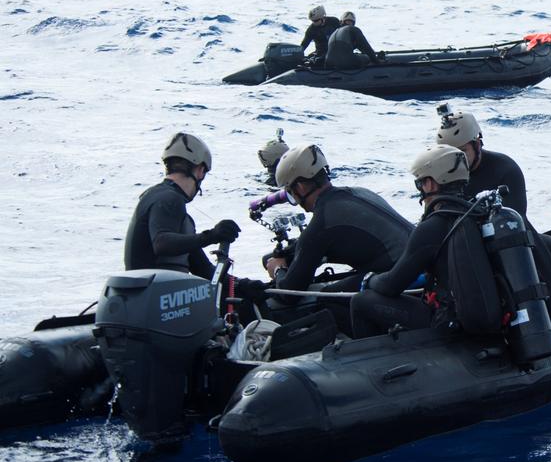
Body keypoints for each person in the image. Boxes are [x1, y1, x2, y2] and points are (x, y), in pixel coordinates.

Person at [436, 106, 551, 308]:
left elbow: (516, 218)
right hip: (464, 247)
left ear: (478, 144)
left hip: (506, 242)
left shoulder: (504, 168)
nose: (457, 161)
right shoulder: (441, 177)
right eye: (451, 155)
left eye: (462, 152)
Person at [350, 145, 475, 338]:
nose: (420, 190)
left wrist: (370, 280)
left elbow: (392, 285)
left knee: (361, 301)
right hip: (481, 316)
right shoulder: (477, 213)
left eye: (420, 184)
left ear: (432, 185)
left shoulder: (433, 226)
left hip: (449, 323)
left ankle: (372, 363)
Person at [263, 143, 413, 295]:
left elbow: (290, 293)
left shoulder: (323, 222)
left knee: (326, 299)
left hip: (400, 279)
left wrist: (278, 269)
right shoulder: (360, 193)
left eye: (290, 192)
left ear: (300, 187)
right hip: (419, 266)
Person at [124, 132, 241, 277]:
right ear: (200, 170)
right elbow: (162, 244)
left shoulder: (157, 198)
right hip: (154, 294)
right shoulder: (169, 198)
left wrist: (248, 286)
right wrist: (212, 236)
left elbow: (203, 270)